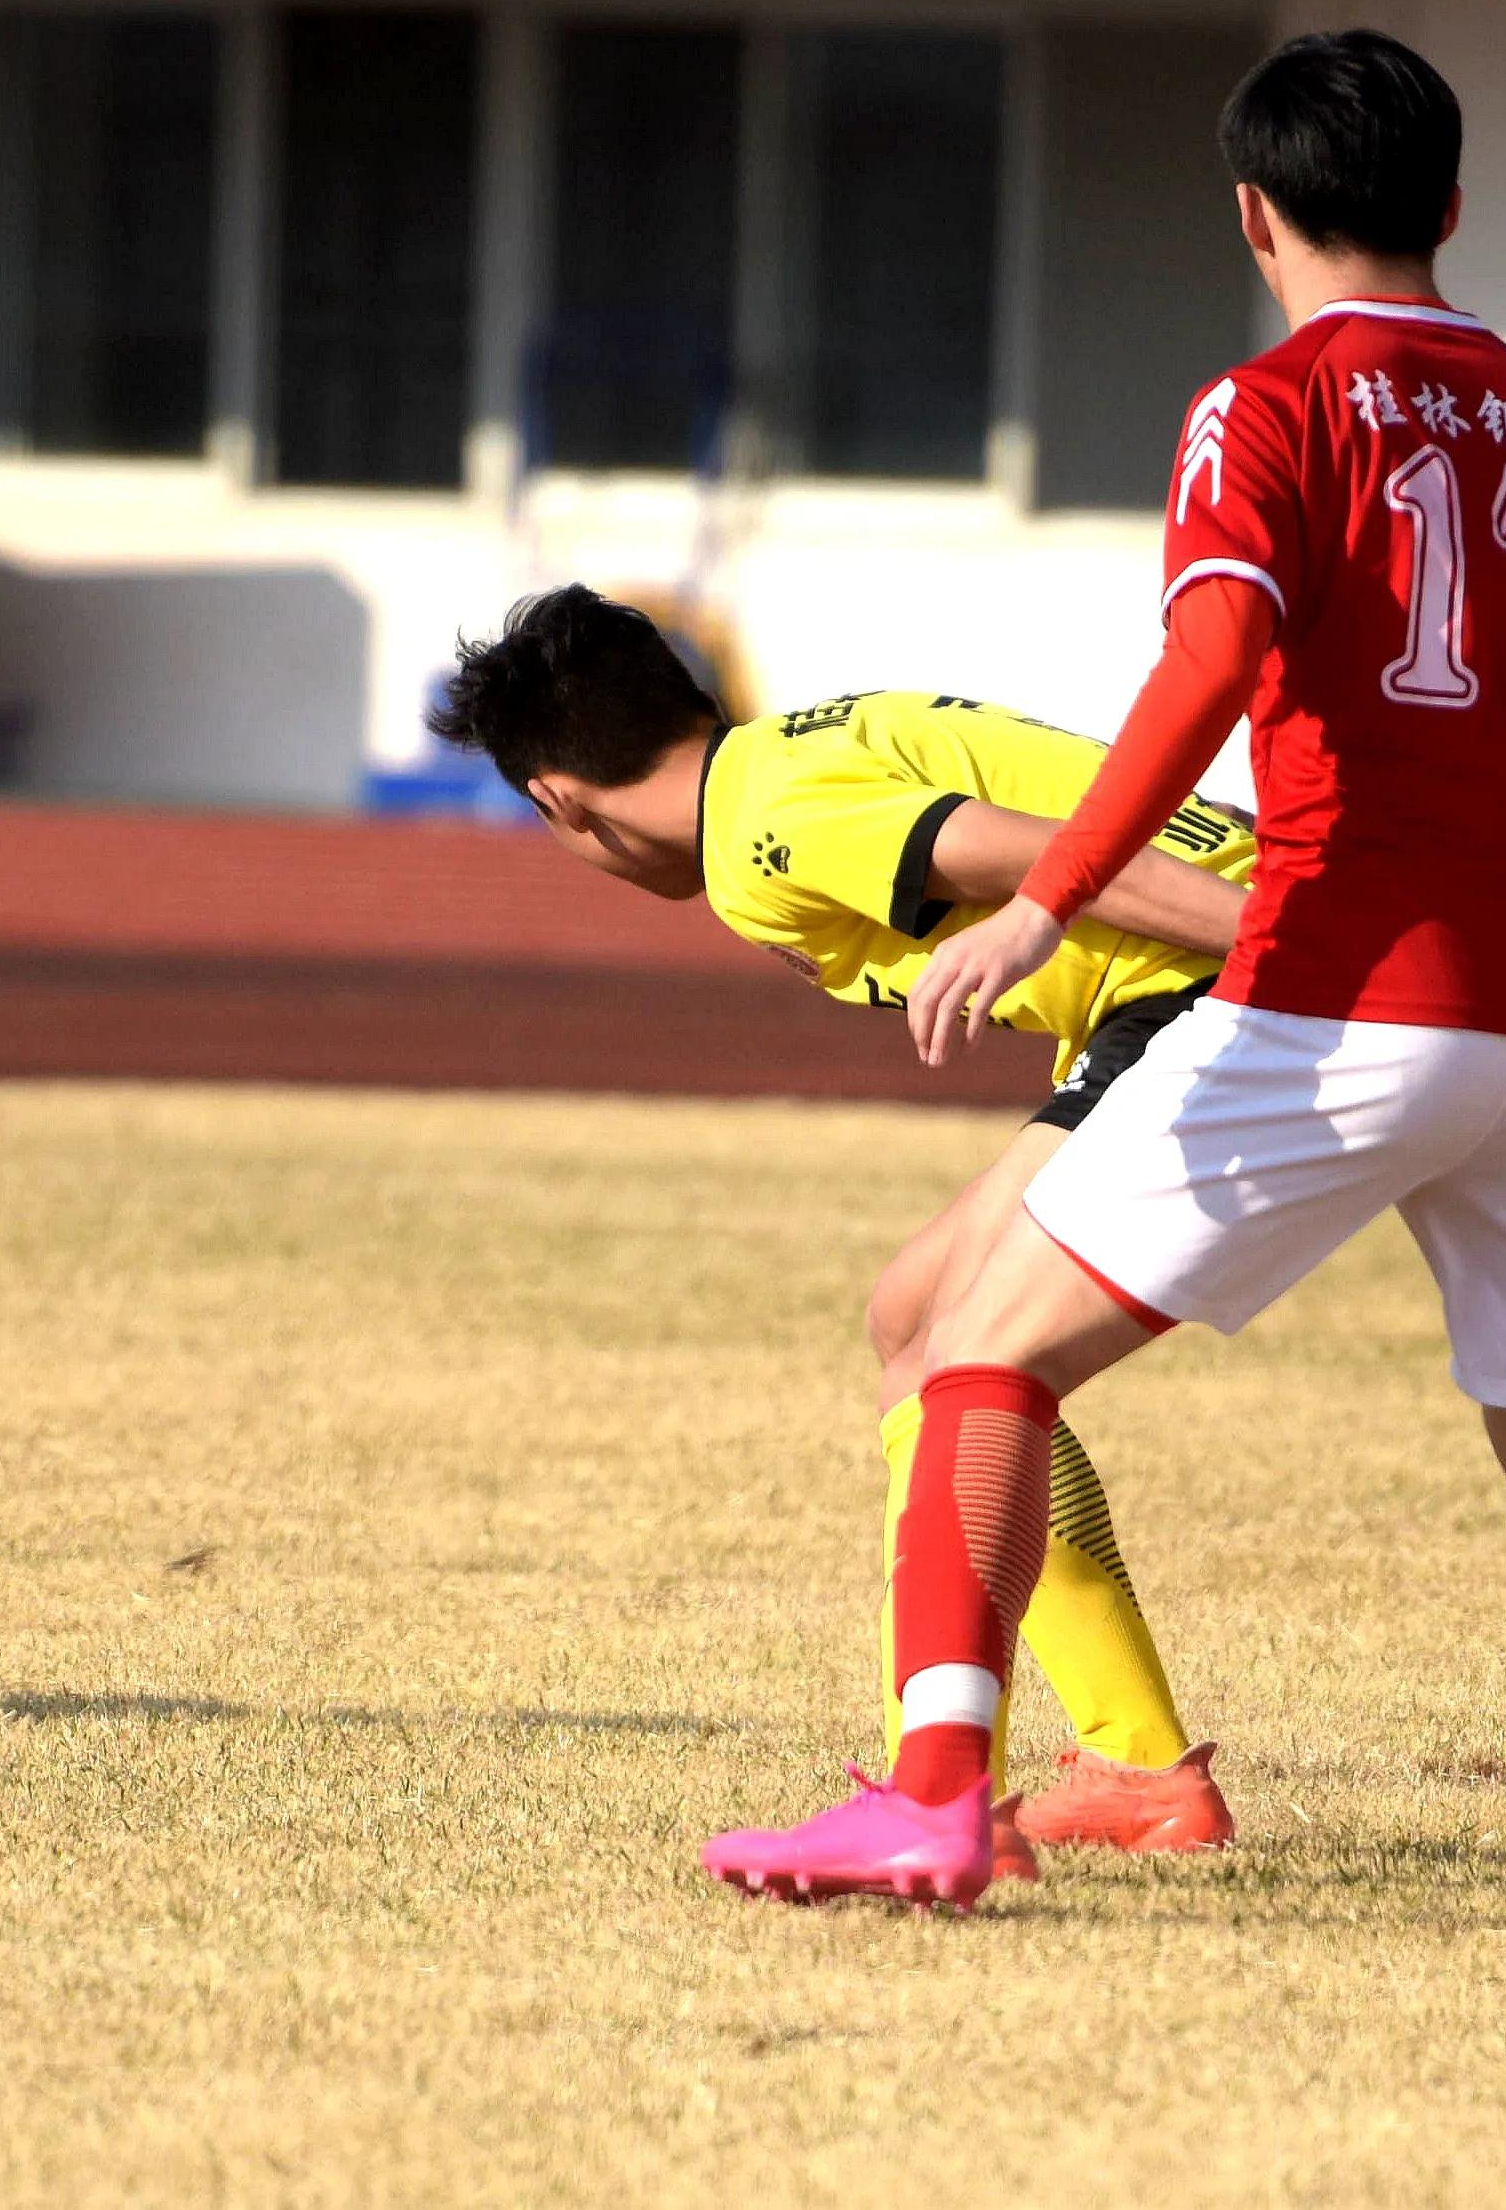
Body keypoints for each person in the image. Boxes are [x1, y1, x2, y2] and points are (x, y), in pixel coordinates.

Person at [700, 29, 1506, 1940]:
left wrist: (1048, 899)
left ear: (1251, 213)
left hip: (1339, 992)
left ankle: (933, 1798)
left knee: (975, 1354)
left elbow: (1211, 658)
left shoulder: (1269, 402)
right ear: (1451, 205)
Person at [429, 587, 1247, 1867]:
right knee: (916, 1320)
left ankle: (986, 1782)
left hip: (1213, 982)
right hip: (1181, 989)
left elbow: (1054, 855)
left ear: (557, 801)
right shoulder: (775, 764)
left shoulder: (764, 826)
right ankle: (1127, 1763)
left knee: (947, 1348)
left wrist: (1298, 947)